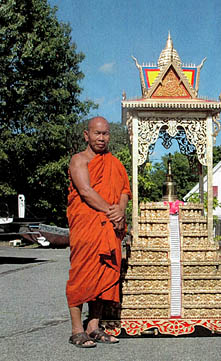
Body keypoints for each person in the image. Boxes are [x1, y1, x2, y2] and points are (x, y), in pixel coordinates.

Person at [66, 116, 131, 348]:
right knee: (81, 275)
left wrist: (120, 210)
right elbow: (85, 190)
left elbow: (124, 190)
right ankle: (76, 330)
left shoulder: (115, 163)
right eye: (97, 133)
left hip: (110, 228)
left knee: (105, 275)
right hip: (87, 227)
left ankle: (94, 327)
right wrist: (111, 211)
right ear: (87, 135)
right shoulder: (79, 160)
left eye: (105, 134)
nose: (101, 138)